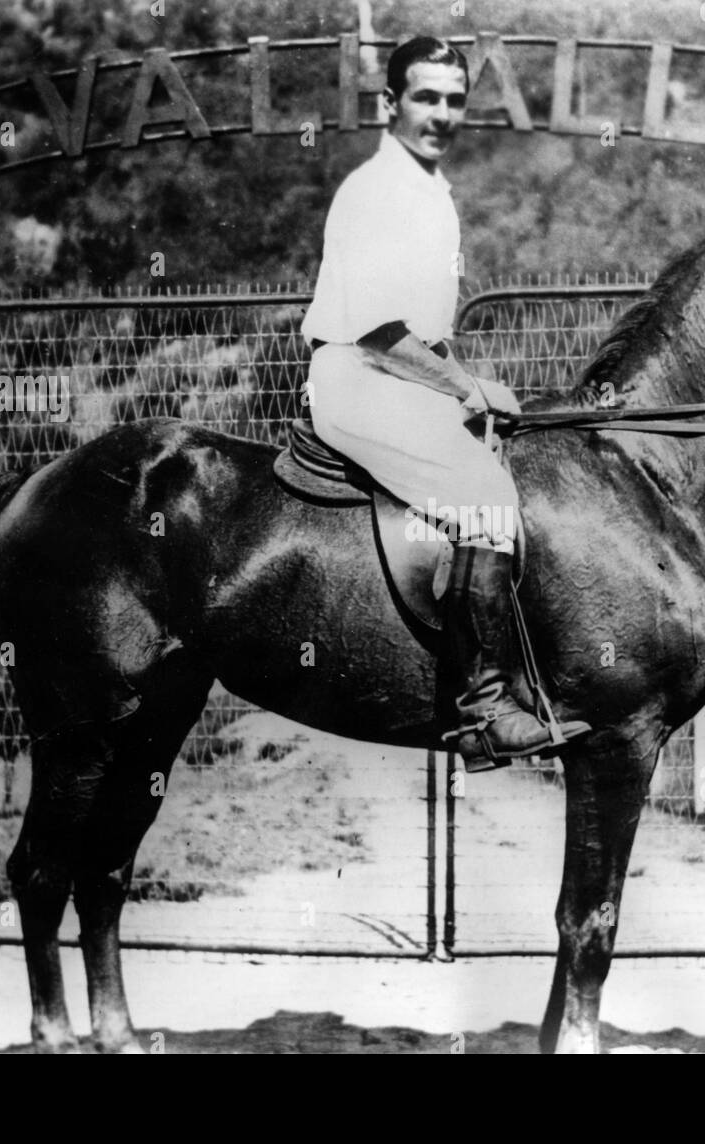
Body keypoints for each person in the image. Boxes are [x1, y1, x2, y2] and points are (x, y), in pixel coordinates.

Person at [301, 36, 589, 769]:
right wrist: (464, 387)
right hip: (358, 380)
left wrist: (476, 392)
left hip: (396, 378)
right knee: (487, 495)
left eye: (454, 100)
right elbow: (376, 333)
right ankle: (481, 709)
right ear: (391, 103)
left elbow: (424, 331)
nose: (442, 114)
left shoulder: (431, 190)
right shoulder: (376, 190)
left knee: (507, 457)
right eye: (426, 98)